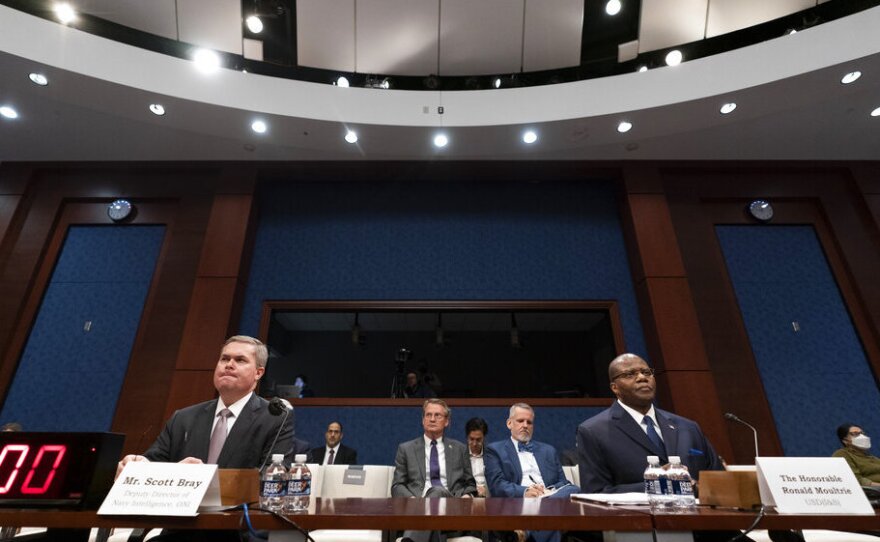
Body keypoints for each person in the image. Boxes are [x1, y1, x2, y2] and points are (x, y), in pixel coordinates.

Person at [116, 336, 294, 541]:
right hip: (182, 531)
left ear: (258, 373)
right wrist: (138, 466)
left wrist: (199, 481)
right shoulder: (183, 417)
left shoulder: (275, 418)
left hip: (237, 532)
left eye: (240, 360)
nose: (229, 365)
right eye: (224, 359)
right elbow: (156, 461)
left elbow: (272, 482)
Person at [577, 353, 754, 542]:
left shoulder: (688, 426)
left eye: (646, 372)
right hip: (641, 531)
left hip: (707, 529)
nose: (642, 377)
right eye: (629, 374)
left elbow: (720, 482)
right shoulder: (593, 431)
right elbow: (595, 494)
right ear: (615, 388)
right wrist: (659, 484)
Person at [484, 403, 580, 542]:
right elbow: (497, 485)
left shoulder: (549, 450)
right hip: (519, 503)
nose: (525, 425)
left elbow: (563, 483)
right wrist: (525, 491)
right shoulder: (495, 450)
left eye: (529, 422)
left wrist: (546, 492)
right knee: (554, 512)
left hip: (549, 496)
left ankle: (526, 532)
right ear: (509, 423)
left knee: (574, 489)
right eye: (520, 421)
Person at [391, 399, 477, 542]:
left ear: (447, 421)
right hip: (417, 508)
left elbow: (470, 484)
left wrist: (467, 496)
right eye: (428, 415)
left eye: (437, 415)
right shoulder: (406, 449)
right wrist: (414, 501)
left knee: (437, 491)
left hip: (451, 507)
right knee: (433, 516)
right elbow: (397, 486)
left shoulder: (459, 449)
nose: (432, 419)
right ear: (422, 420)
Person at [465, 417, 489, 496]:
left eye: (478, 440)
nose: (474, 443)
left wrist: (486, 489)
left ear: (484, 438)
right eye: (471, 439)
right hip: (467, 494)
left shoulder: (491, 455)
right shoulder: (460, 455)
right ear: (467, 437)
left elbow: (495, 480)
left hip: (487, 495)